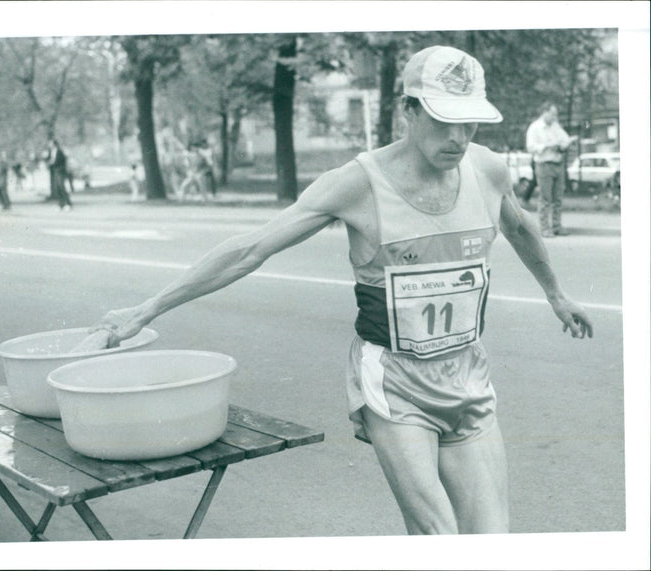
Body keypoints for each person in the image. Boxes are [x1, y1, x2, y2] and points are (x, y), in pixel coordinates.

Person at [86, 46, 593, 535]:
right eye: (443, 120)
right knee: (438, 533)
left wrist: (555, 293)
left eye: (470, 122)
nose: (459, 137)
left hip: (468, 375)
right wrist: (147, 309)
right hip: (395, 385)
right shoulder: (358, 183)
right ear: (407, 111)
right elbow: (252, 249)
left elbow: (521, 226)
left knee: (491, 539)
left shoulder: (487, 168)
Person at [525, 102, 577, 237]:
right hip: (544, 165)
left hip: (558, 164)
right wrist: (548, 146)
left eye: (556, 114)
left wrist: (565, 144)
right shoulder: (535, 128)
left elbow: (564, 139)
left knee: (558, 197)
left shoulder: (556, 126)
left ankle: (557, 226)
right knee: (545, 198)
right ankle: (544, 228)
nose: (555, 117)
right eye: (553, 114)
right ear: (545, 112)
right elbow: (530, 147)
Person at [47, 139, 72, 211]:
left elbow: (61, 161)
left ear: (54, 144)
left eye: (50, 143)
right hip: (55, 171)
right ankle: (61, 204)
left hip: (60, 171)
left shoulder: (59, 151)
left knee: (62, 187)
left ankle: (67, 203)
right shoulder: (51, 152)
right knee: (58, 188)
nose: (49, 145)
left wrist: (53, 163)